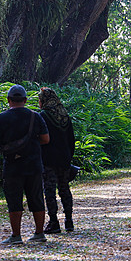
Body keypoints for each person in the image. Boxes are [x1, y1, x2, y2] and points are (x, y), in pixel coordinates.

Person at [0, 84, 50, 245]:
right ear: (25, 100)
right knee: (37, 198)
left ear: (9, 100)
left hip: (12, 166)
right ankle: (39, 233)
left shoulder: (1, 118)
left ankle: (16, 235)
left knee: (14, 200)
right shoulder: (35, 116)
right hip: (34, 165)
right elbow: (46, 139)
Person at [38, 87, 76, 234]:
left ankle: (53, 221)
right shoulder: (65, 116)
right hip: (64, 159)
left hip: (49, 159)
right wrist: (68, 156)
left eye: (40, 100)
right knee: (65, 189)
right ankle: (69, 220)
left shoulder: (43, 116)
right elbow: (71, 140)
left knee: (49, 190)